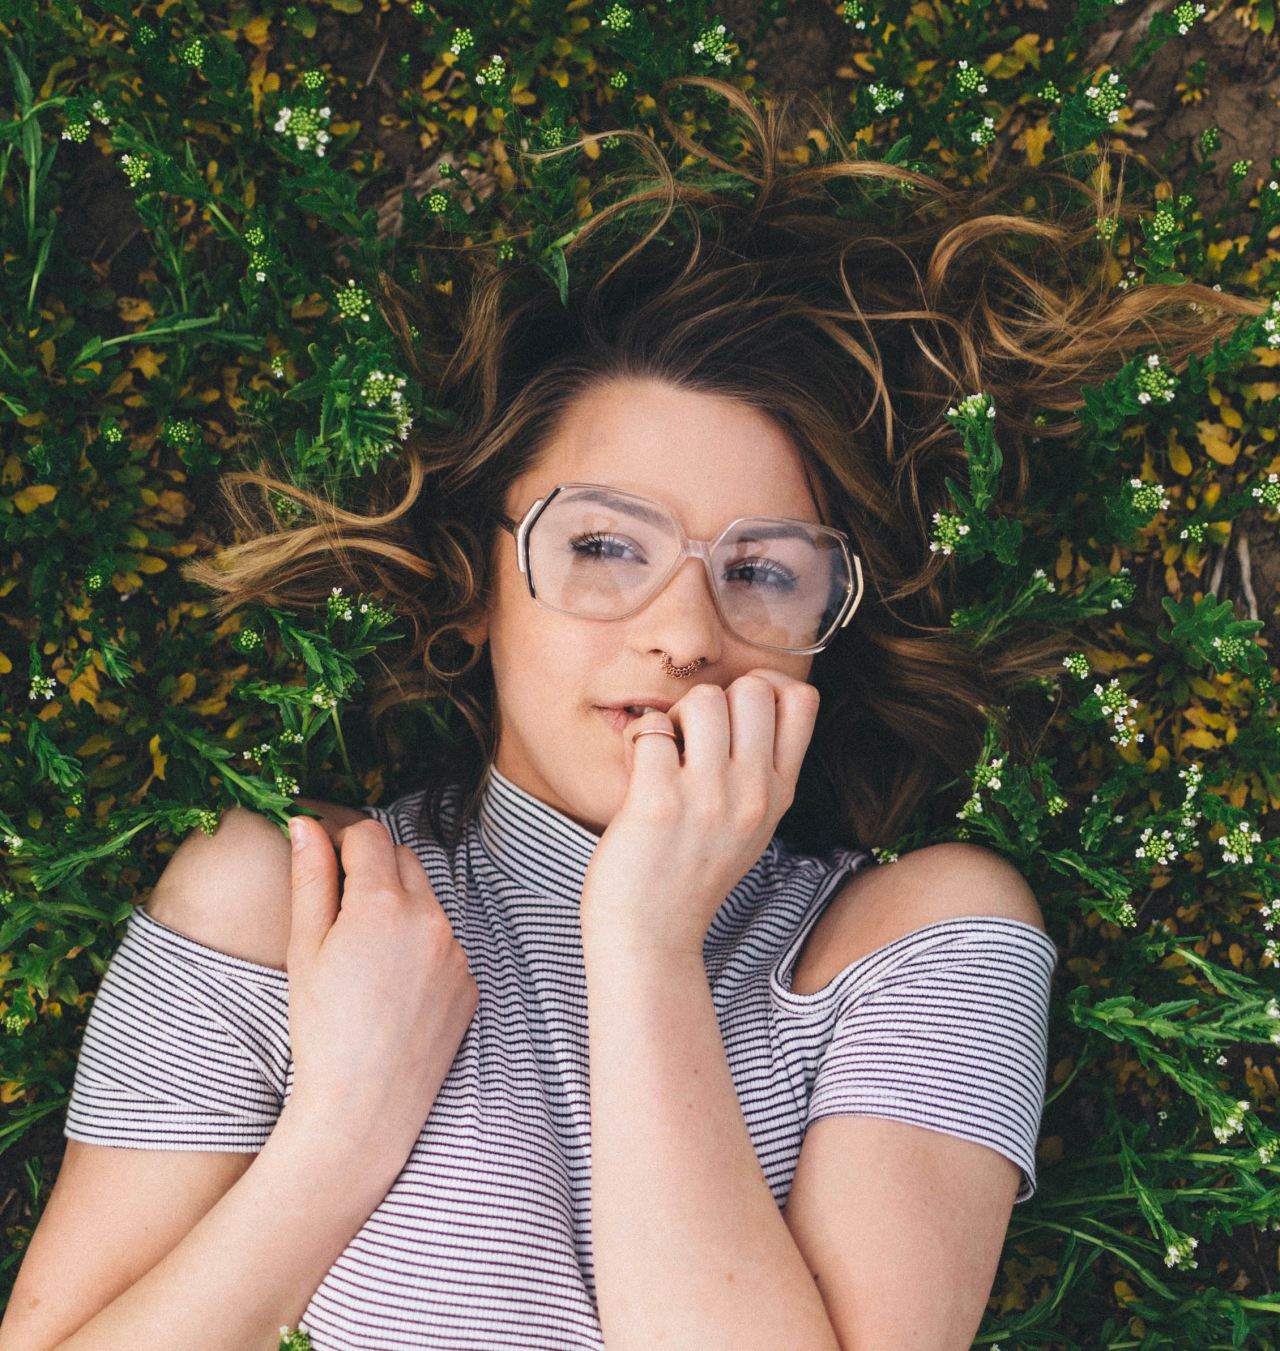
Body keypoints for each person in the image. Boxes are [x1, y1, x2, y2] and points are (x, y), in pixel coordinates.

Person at [3, 78, 1265, 1351]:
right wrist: (339, 1134)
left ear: (821, 644)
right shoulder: (295, 904)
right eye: (605, 544)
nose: (680, 630)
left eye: (763, 570)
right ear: (481, 590)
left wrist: (645, 946)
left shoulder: (921, 938)